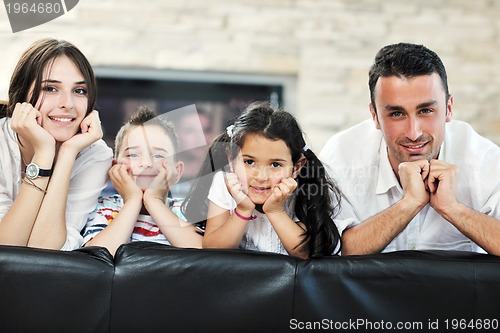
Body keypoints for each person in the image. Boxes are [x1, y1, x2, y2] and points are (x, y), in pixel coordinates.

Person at [319, 42, 500, 255]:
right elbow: (331, 252)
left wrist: (453, 208)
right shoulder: (341, 158)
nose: (413, 133)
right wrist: (408, 204)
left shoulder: (485, 161)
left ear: (448, 109)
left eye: (426, 111)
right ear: (375, 116)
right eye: (396, 114)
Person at [188, 101, 341, 259]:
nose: (261, 177)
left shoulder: (304, 187)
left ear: (296, 167)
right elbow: (213, 249)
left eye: (275, 164)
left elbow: (307, 254)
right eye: (249, 162)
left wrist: (276, 211)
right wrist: (243, 210)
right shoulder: (224, 183)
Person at [0, 38, 112, 250]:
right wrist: (43, 153)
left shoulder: (94, 154)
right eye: (50, 88)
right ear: (21, 95)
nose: (67, 104)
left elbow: (46, 250)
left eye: (79, 91)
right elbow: (6, 248)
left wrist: (67, 153)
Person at [83, 106, 202, 255]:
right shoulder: (104, 208)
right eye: (133, 155)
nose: (146, 163)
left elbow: (203, 255)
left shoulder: (187, 210)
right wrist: (133, 200)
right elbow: (96, 257)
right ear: (115, 167)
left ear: (177, 172)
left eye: (158, 156)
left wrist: (154, 201)